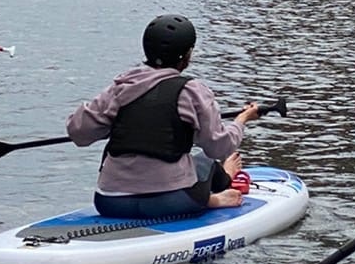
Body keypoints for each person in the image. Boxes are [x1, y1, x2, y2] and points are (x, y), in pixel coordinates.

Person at [66, 14, 260, 219]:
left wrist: (113, 122)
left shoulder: (121, 88)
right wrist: (241, 120)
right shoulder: (193, 91)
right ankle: (218, 191)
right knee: (206, 160)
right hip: (173, 201)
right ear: (188, 54)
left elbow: (78, 133)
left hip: (110, 202)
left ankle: (209, 196)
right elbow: (217, 146)